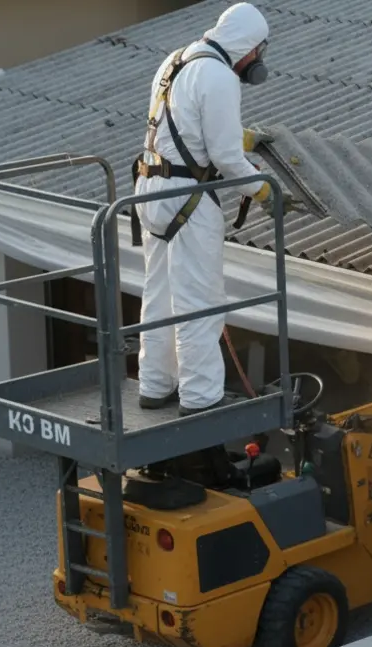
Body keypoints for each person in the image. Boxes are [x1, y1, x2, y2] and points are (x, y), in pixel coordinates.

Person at [131, 2, 292, 415]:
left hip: (151, 189)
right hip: (187, 196)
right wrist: (264, 192)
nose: (257, 60)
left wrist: (247, 138)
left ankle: (154, 384)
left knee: (160, 292)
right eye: (257, 51)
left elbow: (185, 127)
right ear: (248, 46)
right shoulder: (220, 75)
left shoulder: (177, 60)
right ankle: (201, 398)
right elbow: (222, 157)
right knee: (199, 298)